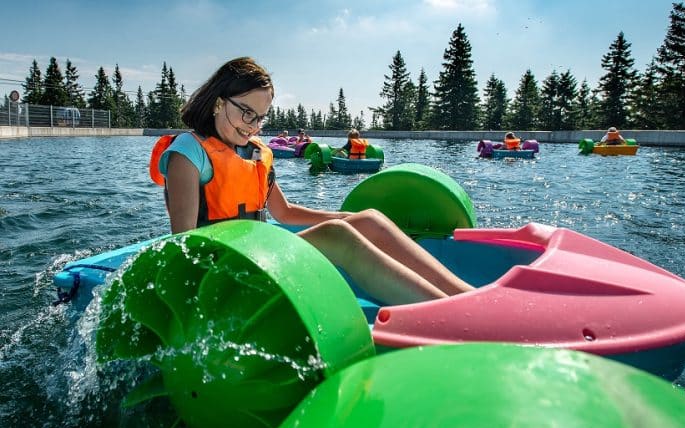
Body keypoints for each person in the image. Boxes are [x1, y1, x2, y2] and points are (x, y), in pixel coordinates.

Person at [151, 57, 473, 305]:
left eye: (260, 117)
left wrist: (353, 217)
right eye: (246, 112)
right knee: (337, 236)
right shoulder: (188, 153)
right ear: (220, 102)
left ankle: (469, 296)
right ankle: (458, 314)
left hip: (257, 254)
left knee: (370, 219)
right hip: (223, 274)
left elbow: (285, 212)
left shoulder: (254, 153)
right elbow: (185, 243)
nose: (253, 125)